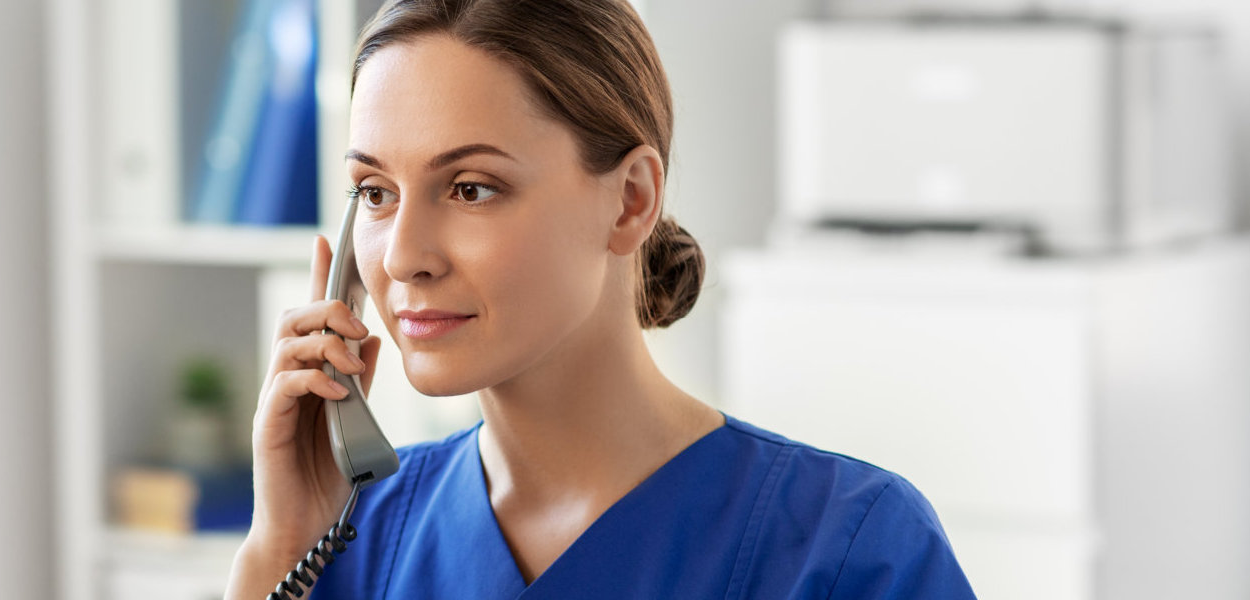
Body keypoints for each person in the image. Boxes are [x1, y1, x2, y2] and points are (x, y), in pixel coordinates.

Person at [226, 0, 979, 597]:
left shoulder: (846, 549)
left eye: (471, 188)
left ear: (629, 201)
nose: (403, 256)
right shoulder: (353, 540)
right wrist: (280, 547)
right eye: (376, 192)